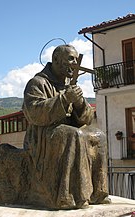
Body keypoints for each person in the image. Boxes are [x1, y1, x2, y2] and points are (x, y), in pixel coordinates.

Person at [22, 44, 109, 209]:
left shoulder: (70, 84)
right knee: (73, 135)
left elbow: (87, 119)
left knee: (99, 136)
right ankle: (68, 196)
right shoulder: (37, 83)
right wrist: (63, 99)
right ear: (56, 60)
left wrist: (78, 102)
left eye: (76, 59)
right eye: (70, 59)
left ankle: (98, 192)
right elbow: (33, 113)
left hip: (67, 131)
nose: (75, 63)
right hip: (43, 135)